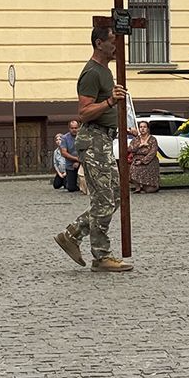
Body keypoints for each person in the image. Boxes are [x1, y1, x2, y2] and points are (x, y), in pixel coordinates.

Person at [53, 26, 134, 272]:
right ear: (99, 43)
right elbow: (84, 112)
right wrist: (109, 101)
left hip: (105, 140)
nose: (116, 45)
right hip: (94, 140)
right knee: (104, 199)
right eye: (112, 41)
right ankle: (101, 256)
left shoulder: (106, 71)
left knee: (115, 197)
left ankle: (73, 234)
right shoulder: (91, 73)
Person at [128, 120, 160, 194]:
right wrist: (140, 146)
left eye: (144, 127)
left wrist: (142, 161)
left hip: (150, 161)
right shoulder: (136, 139)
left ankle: (148, 186)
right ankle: (138, 187)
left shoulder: (152, 139)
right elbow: (130, 149)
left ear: (148, 129)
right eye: (141, 127)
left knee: (149, 190)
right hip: (136, 159)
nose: (142, 129)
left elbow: (153, 152)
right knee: (133, 168)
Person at [56, 120, 80, 191]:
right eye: (72, 128)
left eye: (76, 128)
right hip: (70, 165)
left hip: (82, 163)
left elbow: (86, 150)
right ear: (69, 128)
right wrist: (76, 159)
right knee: (71, 188)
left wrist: (79, 162)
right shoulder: (65, 138)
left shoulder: (82, 137)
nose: (74, 130)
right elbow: (64, 153)